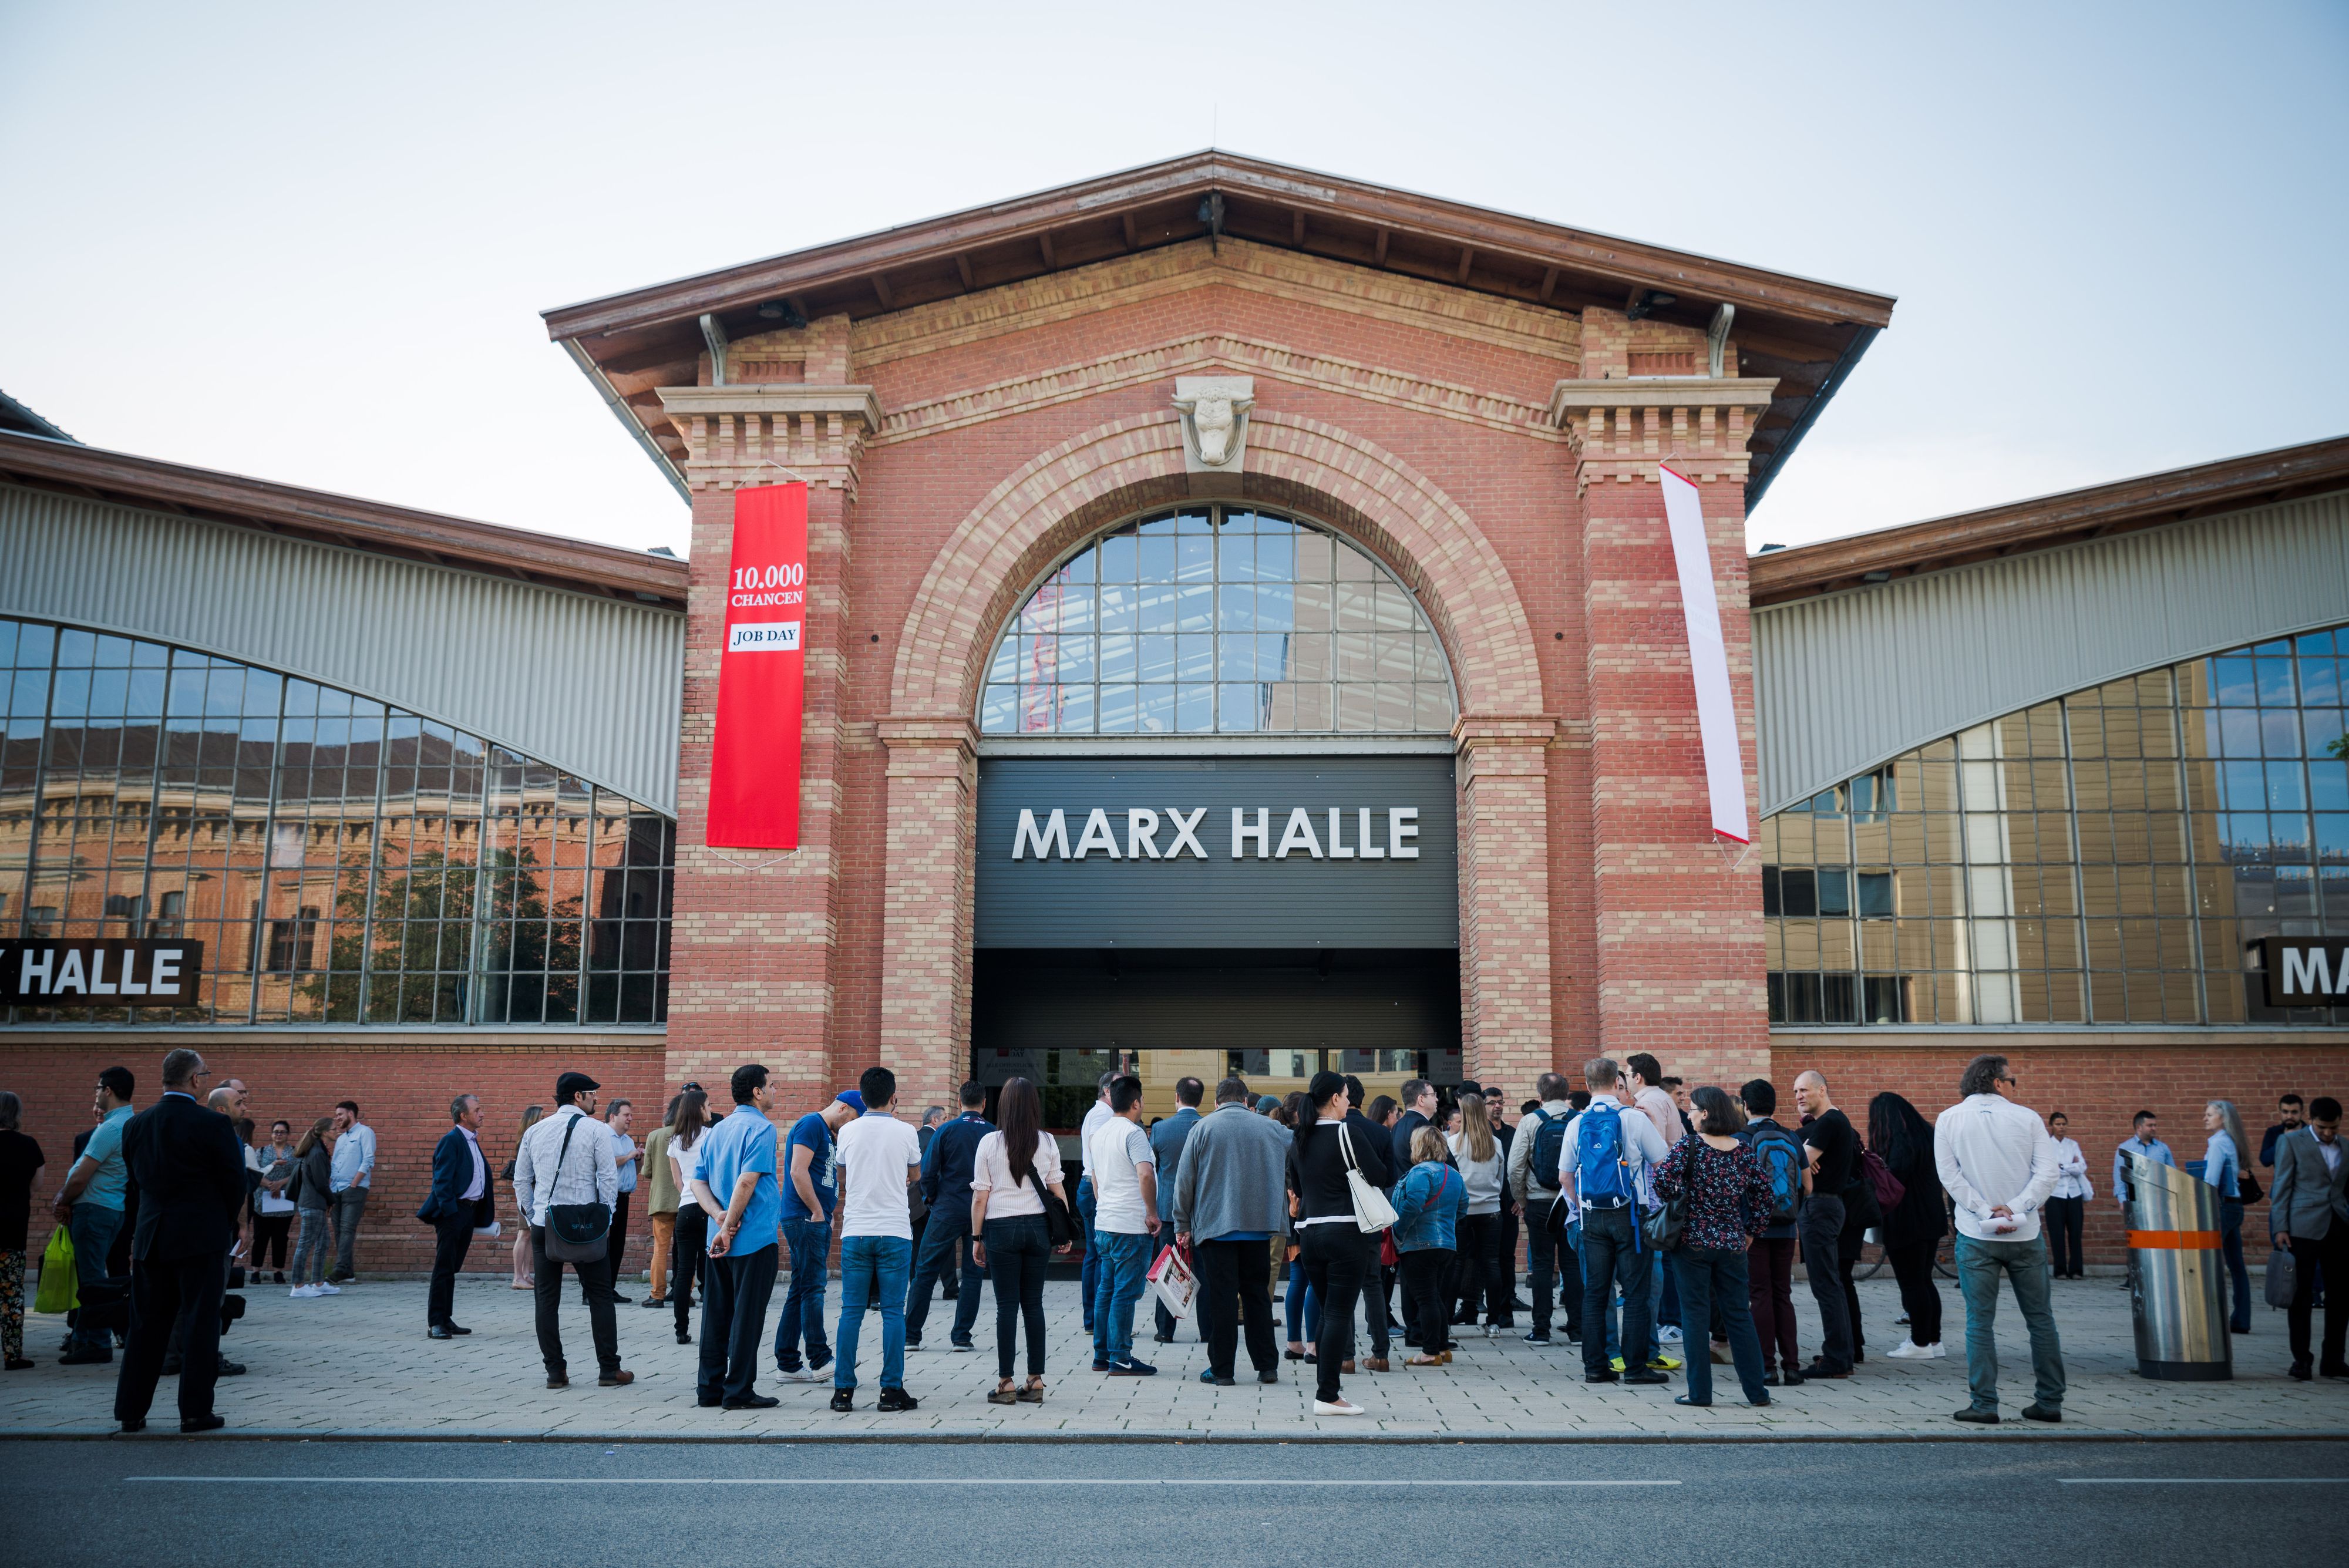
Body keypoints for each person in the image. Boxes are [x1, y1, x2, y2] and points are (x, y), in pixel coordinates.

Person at [112, 1049, 244, 1434]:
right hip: (201, 1238)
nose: (206, 1080)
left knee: (145, 1328)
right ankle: (194, 1412)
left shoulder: (136, 1126)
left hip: (152, 1239)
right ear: (194, 1080)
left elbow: (134, 1185)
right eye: (205, 1074)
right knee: (200, 1325)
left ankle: (131, 1412)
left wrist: (141, 1228)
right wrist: (222, 1223)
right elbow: (233, 1183)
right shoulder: (212, 1124)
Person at [1934, 1053, 2064, 1425]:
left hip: (1976, 1234)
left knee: (1979, 1323)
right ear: (1996, 1082)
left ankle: (1985, 1403)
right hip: (2025, 1234)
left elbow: (1950, 1176)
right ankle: (2050, 1401)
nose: (2014, 1087)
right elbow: (2048, 1174)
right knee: (2040, 1320)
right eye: (2012, 1081)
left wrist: (1985, 1211)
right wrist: (2017, 1208)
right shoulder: (2028, 1119)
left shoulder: (1948, 1119)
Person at [1654, 1086, 1773, 1408]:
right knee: (1738, 1316)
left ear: (1705, 1114)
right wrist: (1751, 1231)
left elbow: (1661, 1182)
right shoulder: (1744, 1151)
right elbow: (1765, 1195)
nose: (1689, 1114)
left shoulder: (1689, 1146)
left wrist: (1682, 1194)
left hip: (1692, 1241)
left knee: (1694, 1316)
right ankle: (1757, 1392)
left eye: (1692, 1109)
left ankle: (1700, 1393)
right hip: (1733, 1243)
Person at [513, 1071, 629, 1391]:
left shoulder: (535, 1131)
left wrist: (532, 1212)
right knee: (600, 1296)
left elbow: (521, 1180)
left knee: (546, 1299)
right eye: (592, 1094)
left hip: (544, 1223)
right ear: (578, 1096)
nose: (596, 1099)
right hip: (586, 1225)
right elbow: (608, 1179)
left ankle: (555, 1372)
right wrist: (607, 1220)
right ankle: (609, 1369)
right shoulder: (596, 1130)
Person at [1173, 1075, 1291, 1387]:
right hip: (1259, 1228)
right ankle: (1267, 1367)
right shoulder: (1271, 1128)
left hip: (1216, 1229)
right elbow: (1298, 1150)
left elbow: (1184, 1182)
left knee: (1222, 1301)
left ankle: (1223, 1370)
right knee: (1258, 1298)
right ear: (1246, 1100)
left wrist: (1182, 1223)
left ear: (1216, 1102)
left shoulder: (1202, 1129)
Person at [1562, 1057, 1671, 1387]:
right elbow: (1663, 1163)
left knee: (1595, 1292)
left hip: (1592, 1217)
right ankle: (1637, 1369)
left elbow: (1565, 1176)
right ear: (1616, 1083)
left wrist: (1582, 1207)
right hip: (1631, 1215)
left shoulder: (1576, 1122)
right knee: (1636, 1293)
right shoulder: (1633, 1119)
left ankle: (1595, 1367)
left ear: (1587, 1085)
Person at [1288, 1070, 1386, 1415]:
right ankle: (1327, 1396)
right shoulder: (1348, 1132)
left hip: (1310, 1234)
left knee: (1328, 1312)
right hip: (1347, 1232)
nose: (1349, 1102)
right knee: (1338, 1314)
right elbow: (1381, 1176)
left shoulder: (1299, 1137)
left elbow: (1297, 1190)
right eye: (1346, 1096)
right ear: (1334, 1099)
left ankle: (1326, 1392)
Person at [970, 1076, 1069, 1403]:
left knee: (1006, 1307)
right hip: (1039, 1229)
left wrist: (976, 1237)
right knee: (1034, 1305)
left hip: (1001, 1228)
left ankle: (1006, 1383)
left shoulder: (990, 1143)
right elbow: (1057, 1190)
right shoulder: (1048, 1142)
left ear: (1004, 1106)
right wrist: (1064, 1230)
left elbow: (980, 1198)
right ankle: (1036, 1380)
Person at [830, 1065, 923, 1413]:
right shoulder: (906, 1132)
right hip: (895, 1231)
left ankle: (843, 1392)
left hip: (856, 1230)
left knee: (850, 1312)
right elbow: (915, 1174)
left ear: (863, 1097)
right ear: (893, 1097)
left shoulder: (849, 1131)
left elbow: (842, 1176)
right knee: (894, 1313)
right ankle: (890, 1391)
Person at [694, 1064, 783, 1408]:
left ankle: (709, 1389)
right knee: (747, 1317)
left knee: (715, 1315)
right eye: (772, 1085)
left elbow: (697, 1182)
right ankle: (739, 1391)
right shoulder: (761, 1128)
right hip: (753, 1237)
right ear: (758, 1092)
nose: (775, 1090)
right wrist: (730, 1226)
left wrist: (718, 1219)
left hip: (715, 1238)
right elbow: (747, 1181)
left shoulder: (718, 1129)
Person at [774, 1089, 858, 1381]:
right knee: (813, 1289)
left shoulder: (825, 1132)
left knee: (800, 1288)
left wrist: (826, 1211)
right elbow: (797, 1171)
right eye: (852, 1119)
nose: (851, 1127)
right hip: (805, 1219)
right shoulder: (811, 1124)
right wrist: (817, 1211)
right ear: (843, 1108)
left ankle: (787, 1363)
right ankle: (820, 1360)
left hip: (812, 1218)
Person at [52, 1065, 134, 1364]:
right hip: (112, 1208)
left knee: (91, 1280)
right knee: (95, 1275)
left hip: (94, 1209)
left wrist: (61, 1200)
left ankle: (96, 1342)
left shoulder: (110, 1128)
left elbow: (80, 1177)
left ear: (109, 1091)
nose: (96, 1094)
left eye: (98, 1088)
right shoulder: (130, 1123)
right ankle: (84, 1338)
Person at [1086, 1074, 1161, 1377]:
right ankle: (1121, 1356)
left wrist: (1104, 1205)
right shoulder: (1133, 1134)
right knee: (1125, 1293)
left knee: (1106, 1289)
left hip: (1105, 1221)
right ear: (1136, 1103)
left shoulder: (1100, 1134)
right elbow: (1145, 1174)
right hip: (1131, 1224)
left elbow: (1094, 1178)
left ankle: (1102, 1355)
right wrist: (1152, 1213)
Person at [907, 1081, 990, 1352]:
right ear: (984, 1103)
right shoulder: (993, 1133)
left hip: (947, 1208)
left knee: (925, 1270)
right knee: (973, 1272)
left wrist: (931, 1198)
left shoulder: (946, 1130)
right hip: (981, 1211)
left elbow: (928, 1172)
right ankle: (961, 1337)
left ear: (959, 1102)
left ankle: (911, 1336)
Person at [2271, 1096, 2349, 1381]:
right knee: (2301, 1296)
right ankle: (2302, 1360)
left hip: (2339, 1228)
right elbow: (2282, 1184)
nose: (2328, 1133)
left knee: (2341, 1298)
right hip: (2301, 1229)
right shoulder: (2291, 1142)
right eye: (2323, 1127)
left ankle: (2334, 1361)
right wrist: (2280, 1227)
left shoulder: (2346, 1147)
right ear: (2311, 1120)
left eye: (2334, 1128)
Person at [1869, 1091, 1948, 1361]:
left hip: (1907, 1221)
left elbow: (1893, 1179)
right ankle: (1934, 1340)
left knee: (1911, 1283)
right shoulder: (1927, 1136)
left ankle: (1920, 1342)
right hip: (1931, 1217)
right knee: (1925, 1280)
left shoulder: (1899, 1143)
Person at [1735, 1078, 1803, 1385]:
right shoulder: (1791, 1138)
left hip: (1754, 1230)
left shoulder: (1740, 1139)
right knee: (1783, 1295)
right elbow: (1807, 1186)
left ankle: (1766, 1367)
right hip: (1788, 1227)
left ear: (1746, 1106)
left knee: (1759, 1294)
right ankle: (1792, 1365)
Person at [1792, 1070, 1859, 1378]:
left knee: (1826, 1286)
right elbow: (1801, 1157)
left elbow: (1793, 1164)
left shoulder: (1831, 1121)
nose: (1799, 1096)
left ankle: (1836, 1360)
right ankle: (1841, 1353)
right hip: (1825, 1206)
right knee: (1831, 1284)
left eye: (1805, 1090)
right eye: (1795, 1092)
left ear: (1823, 1088)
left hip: (1821, 1206)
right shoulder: (1824, 1124)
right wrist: (1802, 1150)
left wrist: (1801, 1157)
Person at [1506, 1073, 1578, 1346]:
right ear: (1566, 1093)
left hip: (1539, 1202)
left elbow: (1515, 1167)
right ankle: (1578, 1328)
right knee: (1572, 1265)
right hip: (1571, 1203)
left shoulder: (1531, 1120)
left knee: (1543, 1265)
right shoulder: (1579, 1120)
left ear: (1540, 1096)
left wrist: (1521, 1199)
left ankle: (1541, 1330)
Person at [419, 1092, 493, 1340]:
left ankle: (446, 1319)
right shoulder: (451, 1141)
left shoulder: (472, 1140)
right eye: (478, 1110)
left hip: (468, 1213)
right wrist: (451, 1213)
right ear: (464, 1115)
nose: (482, 1114)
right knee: (443, 1268)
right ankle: (436, 1322)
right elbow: (442, 1181)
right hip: (453, 1212)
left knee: (452, 1268)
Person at [1392, 1125, 1466, 1367]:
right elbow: (1464, 1205)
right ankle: (1443, 1348)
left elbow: (1413, 1203)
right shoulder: (1454, 1174)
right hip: (1447, 1244)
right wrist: (1448, 1225)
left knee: (1425, 1299)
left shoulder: (1419, 1174)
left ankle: (1429, 1352)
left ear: (1418, 1146)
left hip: (1419, 1245)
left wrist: (1399, 1230)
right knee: (1436, 1298)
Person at [1624, 1054, 1681, 1345]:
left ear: (1638, 1077)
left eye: (1627, 1074)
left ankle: (1669, 1320)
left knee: (1662, 1257)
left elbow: (1654, 1153)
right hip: (1669, 1189)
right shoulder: (1664, 1098)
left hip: (1659, 1193)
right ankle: (1671, 1318)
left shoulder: (1647, 1103)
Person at [1147, 1076, 1206, 1345]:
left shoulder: (1160, 1130)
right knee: (1205, 1271)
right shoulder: (1207, 1126)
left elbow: (1154, 1170)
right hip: (1204, 1212)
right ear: (1201, 1100)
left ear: (1176, 1097)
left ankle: (1165, 1330)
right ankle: (1209, 1330)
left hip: (1170, 1211)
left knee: (1168, 1269)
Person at [1448, 1092, 1507, 1334]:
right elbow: (1501, 1179)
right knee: (1492, 1264)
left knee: (1456, 1264)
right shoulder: (1496, 1143)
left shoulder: (1453, 1144)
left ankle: (1447, 1321)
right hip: (1491, 1210)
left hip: (1461, 1211)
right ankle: (1494, 1322)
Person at [662, 1088, 711, 1345]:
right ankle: (712, 1327)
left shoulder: (675, 1141)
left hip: (686, 1209)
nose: (711, 1110)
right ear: (700, 1110)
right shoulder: (711, 1136)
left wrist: (690, 1198)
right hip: (708, 1208)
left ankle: (681, 1329)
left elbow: (678, 1182)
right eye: (708, 1105)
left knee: (684, 1272)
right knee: (711, 1270)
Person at [2202, 1098, 2253, 1336]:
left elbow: (2210, 1181)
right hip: (2234, 1206)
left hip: (2221, 1206)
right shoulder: (2232, 1142)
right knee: (2237, 1266)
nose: (2206, 1118)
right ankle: (2241, 1318)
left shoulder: (2218, 1143)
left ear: (2223, 1118)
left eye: (2210, 1114)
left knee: (2208, 1262)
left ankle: (2211, 1315)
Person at [0, 1092, 43, 1371]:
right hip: (12, 1229)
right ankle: (13, 1355)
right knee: (12, 1293)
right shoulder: (28, 1145)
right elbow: (37, 1185)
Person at [1075, 1070, 1117, 1334]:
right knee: (1102, 1257)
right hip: (1095, 1187)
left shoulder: (1096, 1112)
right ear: (1109, 1091)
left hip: (1090, 1186)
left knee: (1094, 1255)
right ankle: (1099, 1322)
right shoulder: (1103, 1114)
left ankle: (1093, 1321)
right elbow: (1100, 1152)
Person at [325, 1100, 374, 1284]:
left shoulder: (365, 1132)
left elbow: (368, 1160)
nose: (337, 1118)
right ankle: (348, 1272)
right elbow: (335, 1165)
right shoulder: (341, 1139)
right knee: (338, 1230)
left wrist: (354, 1184)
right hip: (336, 1189)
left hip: (354, 1189)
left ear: (351, 1114)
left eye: (340, 1115)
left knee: (347, 1229)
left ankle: (340, 1269)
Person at [287, 1117, 337, 1297]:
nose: (336, 1132)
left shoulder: (320, 1150)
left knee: (323, 1242)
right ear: (324, 1132)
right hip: (312, 1204)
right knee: (305, 1244)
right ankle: (298, 1286)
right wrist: (332, 1200)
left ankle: (318, 1283)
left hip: (316, 1204)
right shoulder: (317, 1153)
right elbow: (320, 1183)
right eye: (333, 1129)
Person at [641, 1095, 681, 1310]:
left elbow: (647, 1171)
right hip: (685, 1201)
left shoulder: (655, 1136)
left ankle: (657, 1295)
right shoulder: (690, 1136)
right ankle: (685, 1292)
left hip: (661, 1202)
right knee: (685, 1250)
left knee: (660, 1249)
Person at [2044, 1111, 2091, 1278]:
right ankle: (2060, 1270)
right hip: (2055, 1194)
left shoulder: (2073, 1144)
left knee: (2076, 1233)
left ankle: (2077, 1270)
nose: (2061, 1127)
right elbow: (2050, 1169)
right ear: (2051, 1126)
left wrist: (2062, 1167)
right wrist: (2070, 1167)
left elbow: (2082, 1167)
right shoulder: (2046, 1145)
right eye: (2058, 1124)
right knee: (2057, 1234)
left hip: (2074, 1194)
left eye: (2064, 1124)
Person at [251, 1120, 296, 1284]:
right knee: (260, 1237)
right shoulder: (262, 1152)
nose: (279, 1135)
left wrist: (280, 1184)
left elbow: (297, 1174)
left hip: (284, 1200)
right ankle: (256, 1271)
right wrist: (270, 1185)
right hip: (263, 1200)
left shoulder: (295, 1152)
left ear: (288, 1134)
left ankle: (279, 1271)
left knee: (280, 1237)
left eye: (282, 1132)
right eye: (276, 1132)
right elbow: (254, 1172)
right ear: (271, 1134)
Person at [604, 1099, 638, 1301]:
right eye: (626, 1115)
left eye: (631, 1115)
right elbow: (607, 1164)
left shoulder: (627, 1140)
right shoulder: (603, 1136)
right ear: (613, 1116)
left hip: (624, 1198)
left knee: (618, 1245)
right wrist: (628, 1156)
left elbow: (631, 1168)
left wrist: (637, 1158)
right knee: (603, 1246)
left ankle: (610, 1288)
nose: (630, 1119)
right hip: (607, 1197)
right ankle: (592, 1292)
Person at [507, 1105, 544, 1288]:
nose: (545, 1120)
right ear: (533, 1120)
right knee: (523, 1234)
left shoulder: (532, 1138)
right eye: (542, 1117)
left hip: (533, 1192)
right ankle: (517, 1277)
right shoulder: (528, 1140)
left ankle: (526, 1275)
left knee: (529, 1235)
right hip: (527, 1193)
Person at [2112, 1110, 2175, 1203]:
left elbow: (2173, 1174)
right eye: (2150, 1125)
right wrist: (2122, 1200)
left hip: (2160, 1200)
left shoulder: (2163, 1149)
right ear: (2139, 1127)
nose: (2154, 1128)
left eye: (2155, 1125)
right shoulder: (2125, 1148)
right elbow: (2119, 1175)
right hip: (2135, 1199)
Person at [2261, 1094, 2307, 1170]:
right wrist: (2283, 1142)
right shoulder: (2273, 1132)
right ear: (2280, 1112)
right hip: (2283, 1181)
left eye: (2294, 1112)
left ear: (2302, 1113)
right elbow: (2265, 1161)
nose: (2289, 1116)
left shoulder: (2311, 1132)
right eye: (2285, 1112)